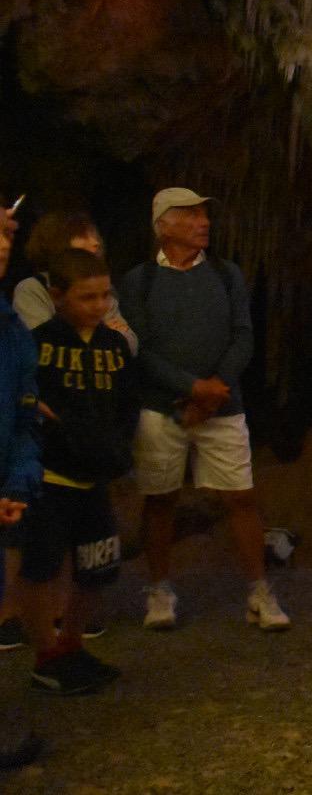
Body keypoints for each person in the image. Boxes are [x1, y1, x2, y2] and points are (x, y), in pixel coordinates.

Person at [121, 188, 288, 631]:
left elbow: (243, 335)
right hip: (163, 408)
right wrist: (192, 387)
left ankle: (259, 590)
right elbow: (139, 348)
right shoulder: (140, 281)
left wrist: (213, 391)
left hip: (222, 407)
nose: (204, 222)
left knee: (241, 496)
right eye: (191, 214)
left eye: (203, 214)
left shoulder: (226, 274)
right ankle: (160, 589)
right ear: (164, 225)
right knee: (160, 499)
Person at [15, 250, 136, 694]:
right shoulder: (37, 344)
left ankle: (71, 644)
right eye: (87, 297)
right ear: (57, 296)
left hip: (94, 476)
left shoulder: (114, 346)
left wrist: (118, 450)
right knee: (41, 567)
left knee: (98, 566)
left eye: (105, 295)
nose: (99, 305)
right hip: (50, 477)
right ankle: (46, 655)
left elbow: (125, 404)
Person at [0, 210, 44, 771]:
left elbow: (23, 414)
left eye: (7, 231)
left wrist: (17, 479)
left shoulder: (10, 327)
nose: (3, 242)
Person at [12, 210, 137, 351]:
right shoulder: (33, 288)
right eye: (83, 236)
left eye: (94, 236)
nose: (95, 243)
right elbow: (40, 344)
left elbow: (131, 344)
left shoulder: (101, 285)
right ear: (57, 241)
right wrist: (104, 332)